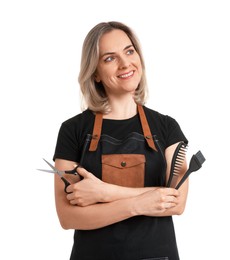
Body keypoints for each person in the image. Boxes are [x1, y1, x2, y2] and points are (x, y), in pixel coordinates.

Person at [53, 21, 189, 260]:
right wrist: (139, 204)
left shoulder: (167, 127)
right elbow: (68, 217)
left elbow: (176, 202)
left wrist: (105, 192)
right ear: (94, 72)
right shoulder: (72, 130)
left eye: (129, 51)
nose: (126, 63)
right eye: (109, 58)